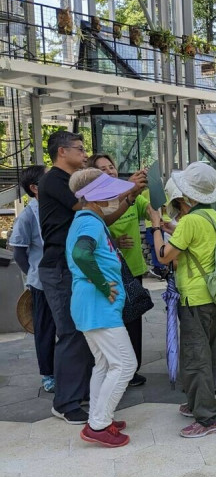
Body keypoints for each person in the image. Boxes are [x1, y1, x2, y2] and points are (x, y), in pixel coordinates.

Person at [38, 131, 132, 425]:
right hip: (62, 269)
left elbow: (96, 217)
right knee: (71, 334)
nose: (84, 154)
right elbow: (84, 238)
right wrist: (104, 284)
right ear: (62, 151)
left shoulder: (87, 213)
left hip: (72, 270)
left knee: (92, 349)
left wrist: (126, 199)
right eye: (79, 149)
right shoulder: (55, 181)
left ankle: (92, 407)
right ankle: (67, 402)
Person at [148, 162, 216, 438]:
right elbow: (202, 238)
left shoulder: (189, 222)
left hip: (195, 298)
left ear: (186, 194)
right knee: (209, 353)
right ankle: (196, 402)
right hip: (215, 295)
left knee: (195, 357)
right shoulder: (211, 216)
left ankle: (209, 417)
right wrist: (171, 226)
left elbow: (164, 255)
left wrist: (156, 228)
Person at [66, 168, 138, 447]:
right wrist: (103, 284)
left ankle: (99, 415)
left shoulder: (87, 218)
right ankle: (98, 424)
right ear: (96, 197)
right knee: (125, 364)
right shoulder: (91, 223)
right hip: (97, 304)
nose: (115, 196)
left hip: (90, 304)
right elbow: (81, 254)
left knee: (104, 363)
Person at [88, 153, 149, 387]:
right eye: (102, 169)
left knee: (133, 320)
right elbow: (97, 225)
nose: (110, 171)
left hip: (132, 269)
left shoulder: (133, 196)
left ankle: (131, 370)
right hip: (109, 275)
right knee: (114, 324)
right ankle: (117, 370)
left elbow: (153, 210)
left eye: (111, 167)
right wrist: (113, 240)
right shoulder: (95, 202)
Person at [10, 166, 56, 392]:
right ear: (35, 188)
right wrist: (34, 274)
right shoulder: (28, 216)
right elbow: (18, 251)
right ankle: (49, 375)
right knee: (45, 329)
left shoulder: (55, 208)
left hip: (62, 279)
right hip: (42, 283)